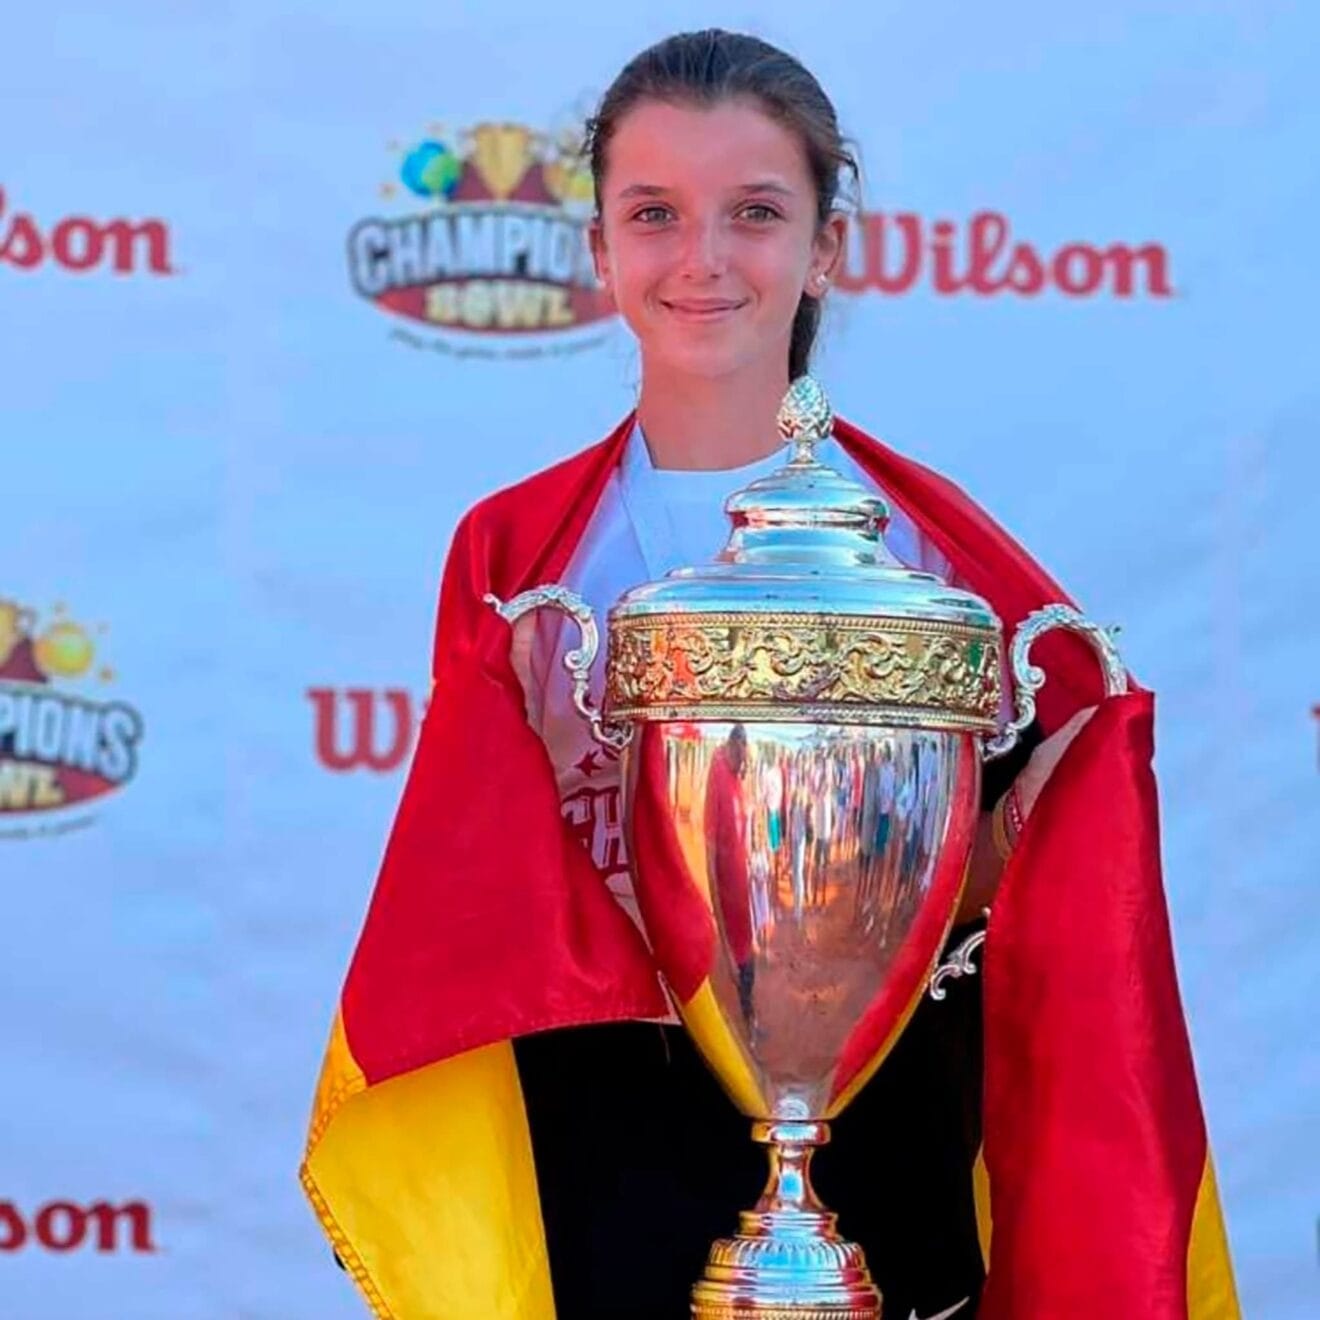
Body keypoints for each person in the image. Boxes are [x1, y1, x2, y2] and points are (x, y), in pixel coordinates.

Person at [302, 29, 1238, 1320]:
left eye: (754, 213)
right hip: (606, 1186)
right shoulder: (513, 551)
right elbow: (481, 900)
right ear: (599, 250)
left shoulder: (935, 551)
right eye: (655, 213)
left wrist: (1035, 825)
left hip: (883, 1176)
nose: (702, 259)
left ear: (825, 247)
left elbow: (1020, 902)